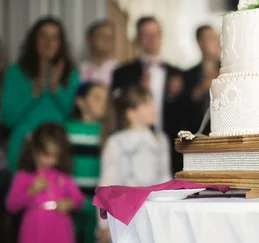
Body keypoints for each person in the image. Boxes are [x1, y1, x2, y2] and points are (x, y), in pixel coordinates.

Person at [96, 85, 171, 243]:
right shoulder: (115, 142)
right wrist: (102, 225)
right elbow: (107, 184)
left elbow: (165, 179)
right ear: (131, 113)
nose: (153, 109)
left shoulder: (160, 140)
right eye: (146, 104)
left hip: (152, 215)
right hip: (124, 217)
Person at [6, 123, 85, 243]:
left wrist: (69, 203)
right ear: (34, 150)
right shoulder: (23, 176)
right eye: (45, 155)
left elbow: (79, 199)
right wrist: (30, 192)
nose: (50, 161)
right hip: (35, 235)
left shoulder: (62, 178)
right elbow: (11, 205)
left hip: (58, 233)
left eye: (55, 156)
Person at [1, 16, 79, 173]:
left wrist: (55, 90)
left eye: (55, 37)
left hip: (58, 150)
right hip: (24, 149)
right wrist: (34, 92)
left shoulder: (70, 74)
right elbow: (7, 118)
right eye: (43, 35)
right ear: (34, 40)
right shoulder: (15, 72)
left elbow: (74, 115)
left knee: (58, 197)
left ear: (60, 43)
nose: (49, 42)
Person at [111, 16, 185, 173]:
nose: (151, 39)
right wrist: (137, 88)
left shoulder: (177, 73)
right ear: (137, 38)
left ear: (161, 36)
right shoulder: (122, 72)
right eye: (146, 34)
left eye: (155, 33)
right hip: (131, 142)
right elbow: (116, 106)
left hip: (169, 144)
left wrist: (173, 96)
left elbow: (187, 114)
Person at [65, 82, 107, 243]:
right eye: (96, 97)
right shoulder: (68, 130)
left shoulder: (105, 132)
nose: (103, 103)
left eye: (105, 98)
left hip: (94, 204)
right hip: (69, 202)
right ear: (80, 102)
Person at [182, 25, 221, 134]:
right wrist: (203, 87)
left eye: (217, 38)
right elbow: (184, 109)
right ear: (200, 43)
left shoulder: (228, 71)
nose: (217, 43)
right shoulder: (187, 76)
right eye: (211, 38)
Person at [79, 20, 118, 86]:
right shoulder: (79, 71)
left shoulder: (119, 69)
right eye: (102, 36)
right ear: (89, 39)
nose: (107, 40)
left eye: (110, 37)